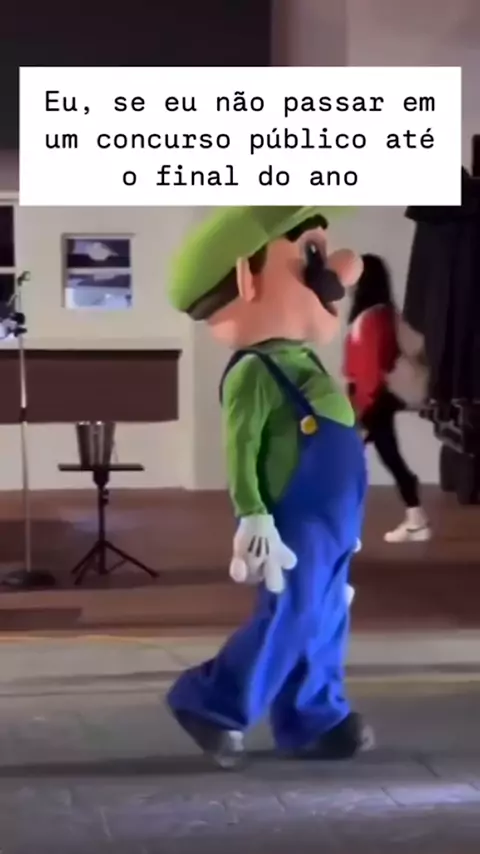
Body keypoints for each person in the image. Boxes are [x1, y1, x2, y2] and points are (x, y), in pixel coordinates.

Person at [167, 206, 374, 769]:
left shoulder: (304, 360)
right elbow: (241, 450)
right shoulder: (254, 371)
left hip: (335, 521)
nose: (338, 272)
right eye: (311, 256)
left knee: (326, 615)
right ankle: (210, 702)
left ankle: (314, 717)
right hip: (295, 518)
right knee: (293, 610)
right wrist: (253, 516)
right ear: (245, 278)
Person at [343, 253, 431, 543]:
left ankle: (345, 530)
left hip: (371, 400)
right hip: (376, 399)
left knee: (351, 464)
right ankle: (415, 519)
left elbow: (369, 368)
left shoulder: (371, 317)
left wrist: (361, 408)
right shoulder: (383, 313)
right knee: (384, 458)